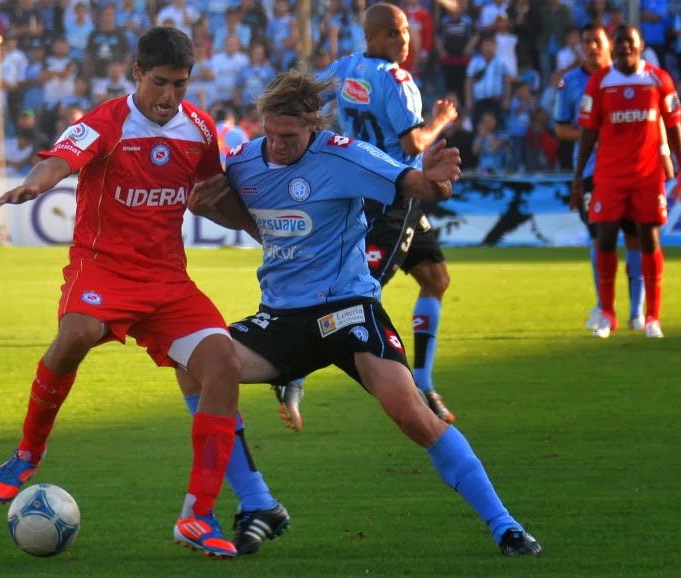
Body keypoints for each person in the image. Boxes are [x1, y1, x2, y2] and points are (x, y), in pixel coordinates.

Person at [180, 68, 542, 557]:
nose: (279, 146)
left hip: (348, 309)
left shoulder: (343, 155)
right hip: (282, 318)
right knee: (192, 363)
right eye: (271, 133)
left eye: (289, 137)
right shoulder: (245, 163)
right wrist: (207, 210)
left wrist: (437, 182)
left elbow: (414, 183)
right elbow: (256, 226)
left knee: (413, 416)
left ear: (313, 126)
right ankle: (258, 501)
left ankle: (505, 525)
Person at [0, 27, 276, 559]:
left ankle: (199, 515)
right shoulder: (106, 122)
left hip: (167, 282)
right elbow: (60, 159)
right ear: (136, 74)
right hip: (102, 269)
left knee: (222, 366)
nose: (168, 98)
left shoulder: (200, 129)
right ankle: (28, 451)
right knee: (74, 336)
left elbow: (212, 196)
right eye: (159, 83)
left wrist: (264, 234)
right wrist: (37, 182)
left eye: (180, 85)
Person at [278, 2, 457, 433]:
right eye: (393, 33)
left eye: (405, 32)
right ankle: (293, 371)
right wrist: (441, 120)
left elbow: (309, 94)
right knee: (359, 293)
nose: (403, 40)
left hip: (359, 184)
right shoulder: (398, 81)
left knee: (435, 277)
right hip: (395, 194)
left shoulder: (346, 67)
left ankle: (426, 382)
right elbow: (414, 145)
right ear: (372, 37)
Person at [574, 24, 681, 339]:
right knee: (604, 239)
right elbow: (587, 134)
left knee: (649, 241)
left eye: (629, 42)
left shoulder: (659, 80)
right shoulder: (599, 82)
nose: (624, 48)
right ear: (615, 46)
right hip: (608, 174)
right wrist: (579, 177)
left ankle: (652, 318)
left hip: (647, 175)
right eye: (619, 43)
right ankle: (608, 313)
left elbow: (673, 127)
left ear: (640, 45)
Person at [554, 24, 647, 333]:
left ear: (609, 44)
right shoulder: (570, 82)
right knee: (600, 239)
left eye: (596, 41)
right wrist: (590, 133)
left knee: (636, 238)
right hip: (595, 172)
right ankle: (604, 308)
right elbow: (560, 126)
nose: (591, 47)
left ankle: (637, 312)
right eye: (585, 42)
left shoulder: (633, 77)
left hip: (635, 170)